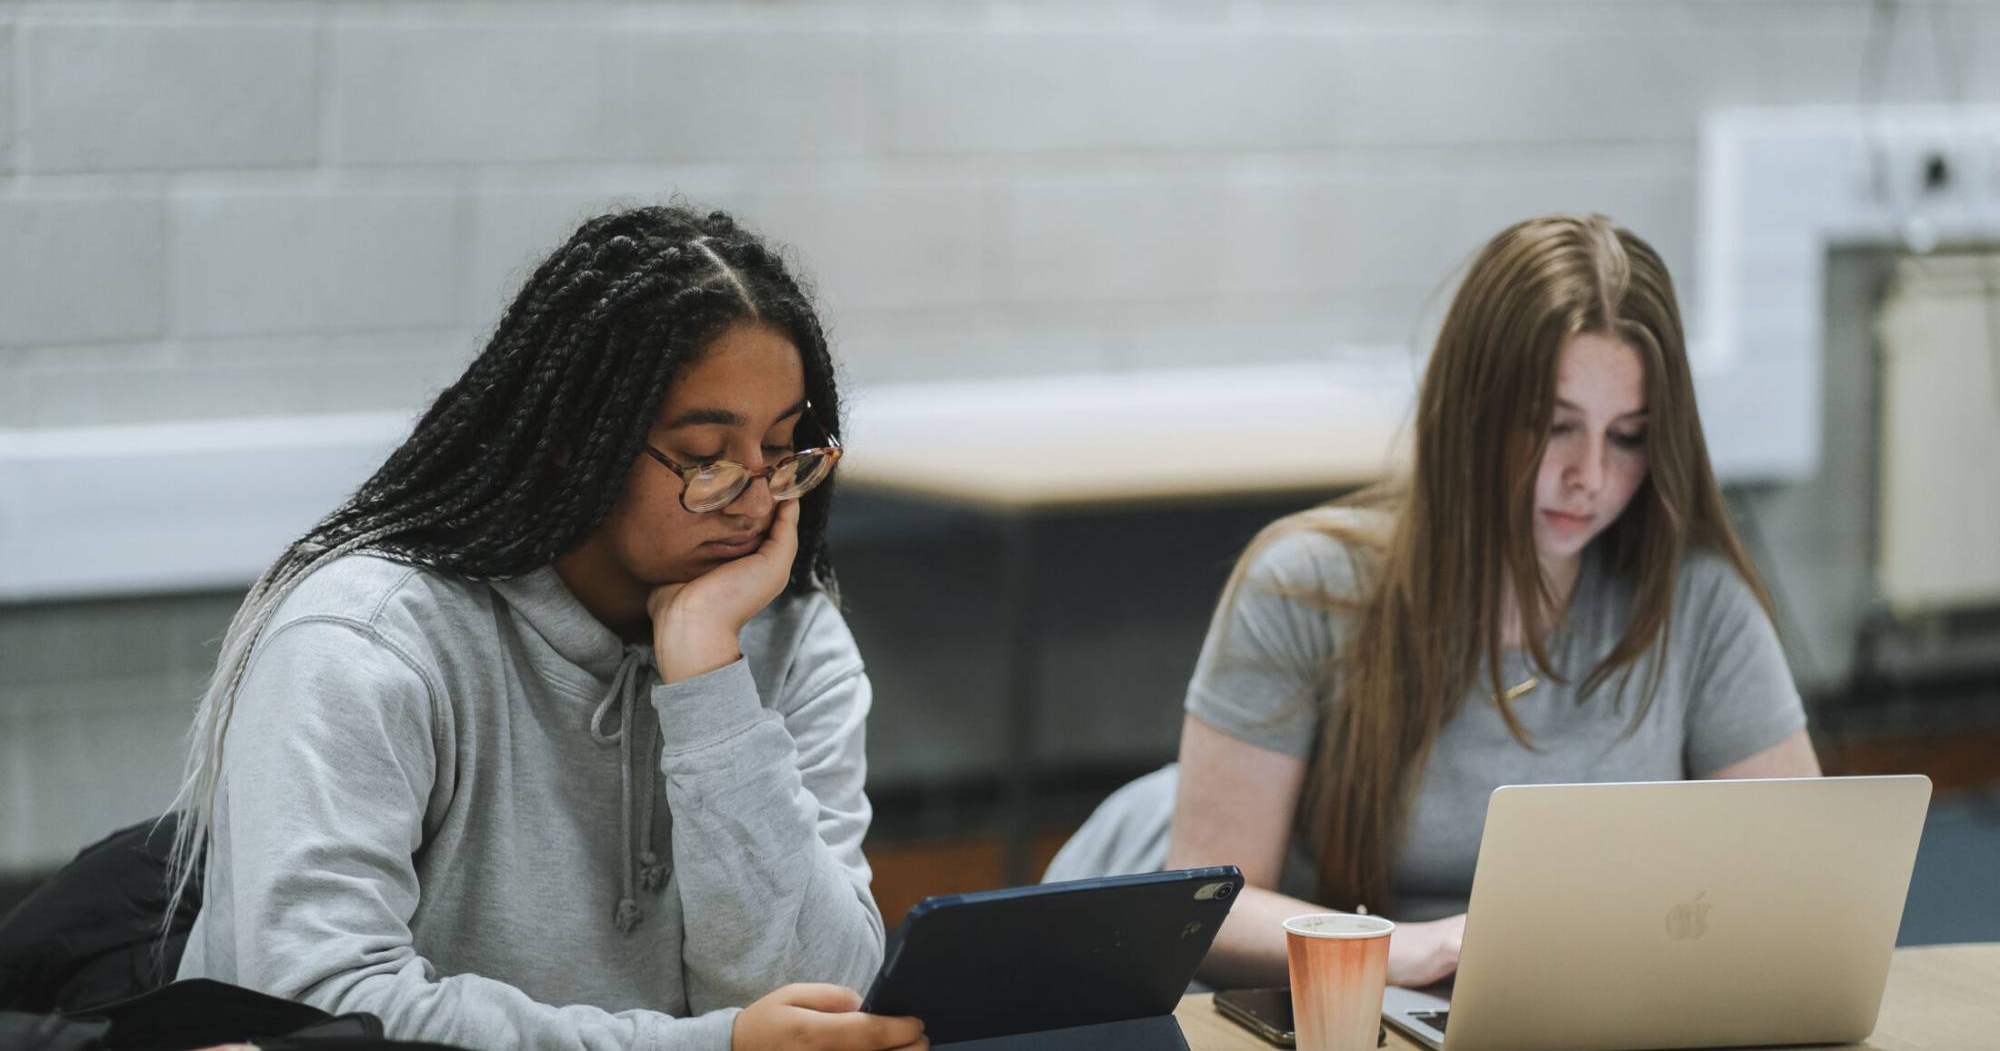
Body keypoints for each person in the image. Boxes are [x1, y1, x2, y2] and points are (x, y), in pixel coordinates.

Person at [167, 205, 927, 1051]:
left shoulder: (786, 634)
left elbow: (817, 1001)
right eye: (708, 458)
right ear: (578, 442)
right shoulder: (364, 643)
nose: (755, 500)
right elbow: (318, 1012)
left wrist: (711, 689)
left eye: (784, 450)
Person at [1044, 213, 1820, 990]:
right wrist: (1409, 949)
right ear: (1471, 413)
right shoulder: (1303, 586)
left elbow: (1808, 890)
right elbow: (1209, 910)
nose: (1590, 473)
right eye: (1556, 426)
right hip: (1345, 998)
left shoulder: (1696, 601)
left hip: (1550, 1004)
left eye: (1627, 436)